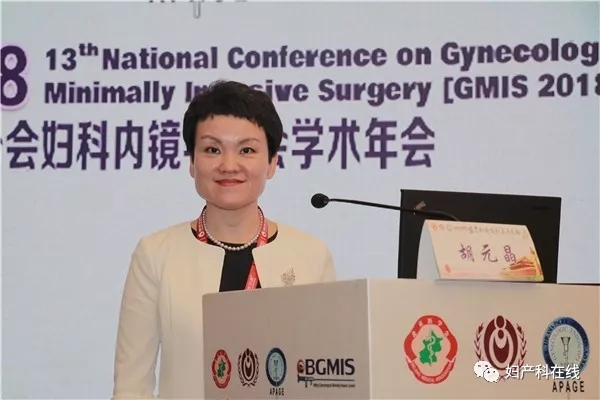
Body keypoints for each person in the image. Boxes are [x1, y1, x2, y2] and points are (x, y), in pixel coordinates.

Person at [111, 80, 337, 399]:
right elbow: (131, 385)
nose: (229, 165)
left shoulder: (310, 255)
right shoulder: (155, 254)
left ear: (272, 163)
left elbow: (326, 382)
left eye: (247, 150)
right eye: (212, 150)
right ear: (192, 163)